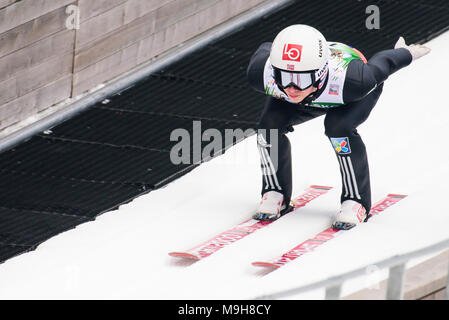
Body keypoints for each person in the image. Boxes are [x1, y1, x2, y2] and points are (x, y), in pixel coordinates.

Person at [246, 24, 430, 229]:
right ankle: (275, 191)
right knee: (268, 127)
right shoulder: (261, 72)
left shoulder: (355, 80)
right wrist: (292, 76)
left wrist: (406, 53)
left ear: (321, 72)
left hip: (346, 97)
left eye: (301, 79)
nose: (292, 88)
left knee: (338, 128)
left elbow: (383, 63)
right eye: (284, 77)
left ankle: (356, 200)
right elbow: (267, 47)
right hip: (316, 93)